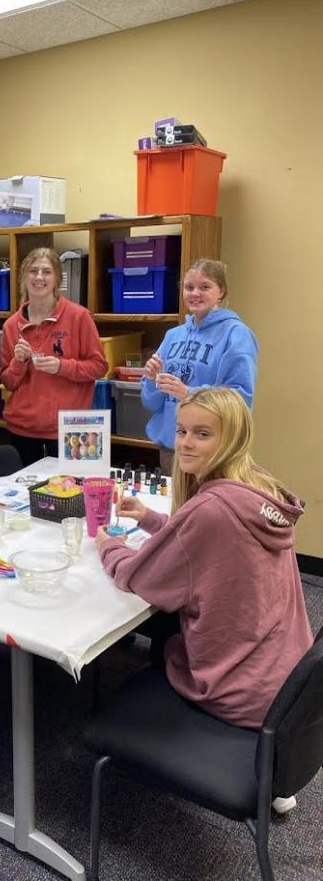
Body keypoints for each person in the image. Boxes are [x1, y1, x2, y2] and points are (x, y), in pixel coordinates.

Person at [96, 386, 312, 738]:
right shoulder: (256, 488)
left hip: (238, 691)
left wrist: (109, 545)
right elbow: (201, 543)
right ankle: (273, 775)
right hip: (285, 683)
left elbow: (139, 575)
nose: (185, 443)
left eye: (203, 434)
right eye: (181, 431)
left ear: (233, 439)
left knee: (161, 632)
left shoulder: (211, 509)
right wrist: (151, 519)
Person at [141, 258, 258, 475]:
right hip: (171, 447)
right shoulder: (172, 336)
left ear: (221, 291)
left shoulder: (236, 334)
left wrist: (188, 393)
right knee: (175, 508)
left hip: (212, 451)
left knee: (206, 508)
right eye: (189, 287)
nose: (195, 293)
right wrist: (151, 378)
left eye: (205, 287)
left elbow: (240, 401)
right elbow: (151, 403)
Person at [0, 247, 107, 466]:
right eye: (33, 271)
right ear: (24, 277)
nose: (39, 277)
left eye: (47, 272)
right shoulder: (11, 325)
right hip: (23, 428)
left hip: (75, 425)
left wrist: (62, 366)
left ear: (57, 278)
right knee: (23, 497)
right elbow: (8, 381)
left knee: (76, 494)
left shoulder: (79, 316)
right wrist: (18, 362)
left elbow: (99, 367)